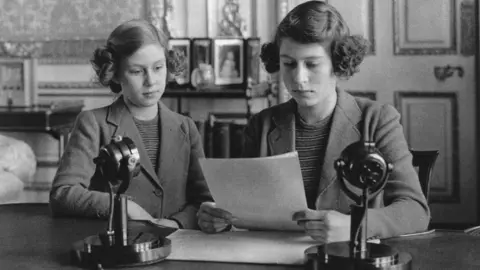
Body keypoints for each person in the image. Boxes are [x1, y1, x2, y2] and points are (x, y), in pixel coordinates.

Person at [197, 1, 430, 242]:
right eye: (288, 64)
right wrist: (218, 217)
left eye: (312, 64)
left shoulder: (378, 119)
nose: (299, 78)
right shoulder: (261, 125)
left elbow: (415, 210)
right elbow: (242, 209)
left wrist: (356, 225)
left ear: (338, 63)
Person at [49, 19, 212, 229]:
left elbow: (203, 201)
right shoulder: (93, 124)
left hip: (176, 246)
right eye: (137, 71)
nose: (151, 81)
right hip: (117, 249)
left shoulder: (186, 127)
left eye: (158, 68)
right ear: (115, 73)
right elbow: (63, 193)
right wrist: (121, 207)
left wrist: (175, 223)